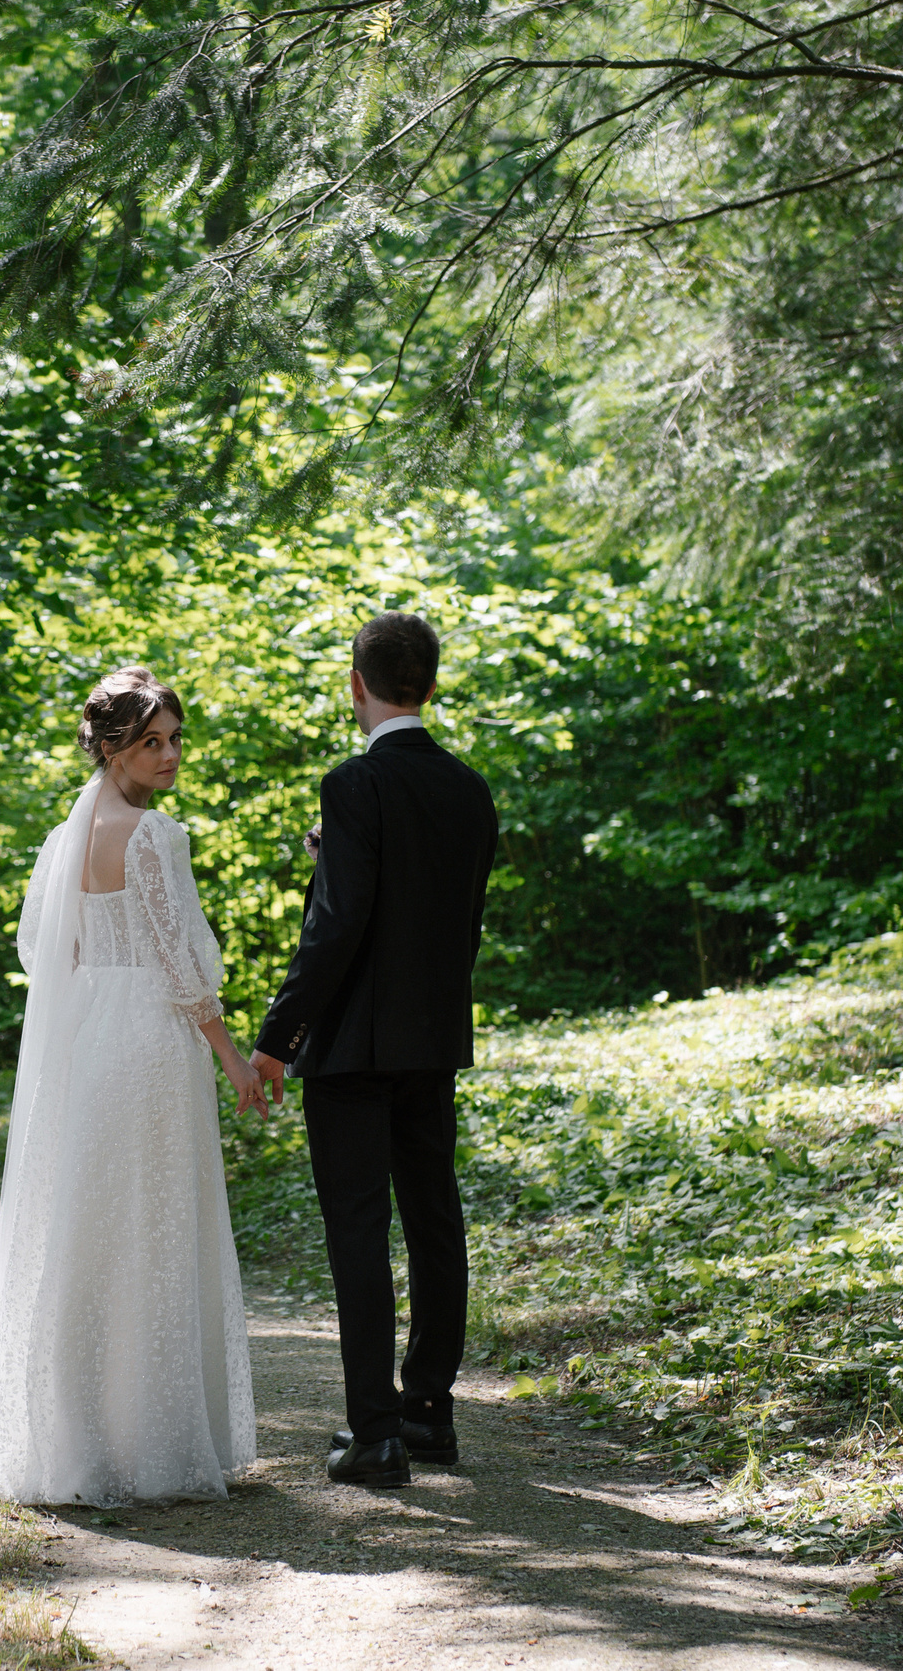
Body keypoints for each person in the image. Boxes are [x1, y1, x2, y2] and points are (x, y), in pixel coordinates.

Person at [0, 667, 263, 1506]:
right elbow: (183, 960)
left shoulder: (66, 838)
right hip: (151, 1043)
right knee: (150, 1229)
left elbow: (53, 956)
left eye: (176, 739)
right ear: (112, 746)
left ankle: (79, 1438)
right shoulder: (155, 838)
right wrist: (230, 1057)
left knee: (91, 1229)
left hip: (90, 1044)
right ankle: (150, 1441)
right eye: (152, 741)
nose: (170, 756)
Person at [244, 612, 500, 1489]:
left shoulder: (353, 783)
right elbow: (445, 916)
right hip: (432, 1041)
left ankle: (374, 1431)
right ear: (429, 685)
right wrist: (334, 859)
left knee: (359, 1228)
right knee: (433, 1217)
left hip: (352, 1050)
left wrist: (280, 1038)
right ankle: (430, 1410)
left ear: (356, 685)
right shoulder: (470, 790)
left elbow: (341, 923)